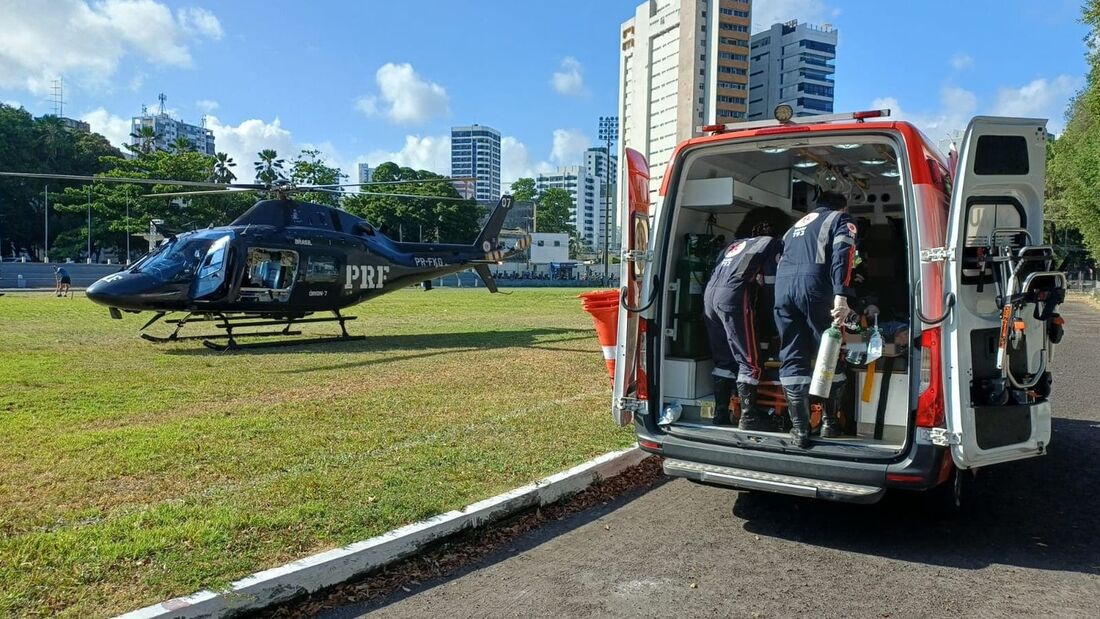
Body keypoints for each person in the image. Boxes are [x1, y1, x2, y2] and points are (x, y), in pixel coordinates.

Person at [773, 192, 858, 447]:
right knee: (831, 351)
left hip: (783, 290)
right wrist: (841, 295)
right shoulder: (840, 219)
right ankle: (830, 425)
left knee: (792, 354)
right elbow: (844, 253)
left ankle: (800, 431)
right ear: (842, 206)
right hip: (815, 288)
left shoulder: (793, 228)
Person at [702, 219, 783, 430]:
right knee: (750, 359)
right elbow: (772, 287)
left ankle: (720, 413)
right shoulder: (771, 244)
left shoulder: (734, 245)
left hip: (710, 297)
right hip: (734, 296)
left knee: (723, 360)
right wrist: (774, 322)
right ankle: (749, 417)